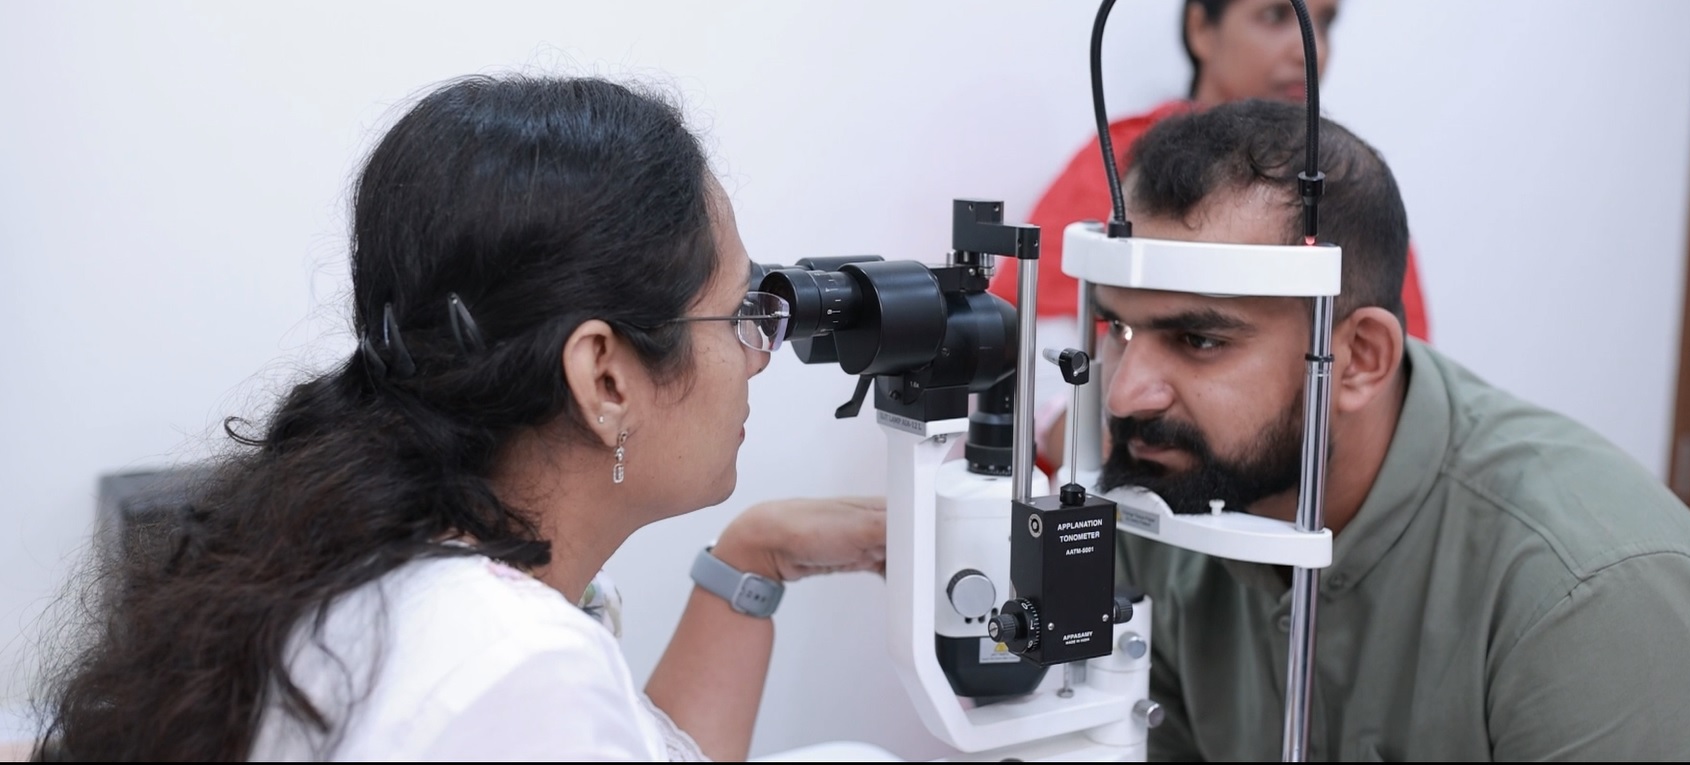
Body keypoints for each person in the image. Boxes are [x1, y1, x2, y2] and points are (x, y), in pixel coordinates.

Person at [31, 75, 885, 762]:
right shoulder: (519, 668)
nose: (759, 355)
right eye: (741, 314)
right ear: (604, 377)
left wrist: (753, 557)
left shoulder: (382, 559)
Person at [1099, 99, 1690, 760]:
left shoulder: (1592, 594)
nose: (1125, 394)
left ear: (1360, 359)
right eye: (1117, 328)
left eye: (1200, 340)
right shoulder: (1170, 501)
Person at [991, 0, 1431, 475]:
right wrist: (1137, 472)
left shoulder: (1343, 193)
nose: (1311, 50)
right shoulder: (1118, 170)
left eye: (1325, 24)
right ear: (1201, 27)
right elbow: (1027, 361)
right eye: (1273, 17)